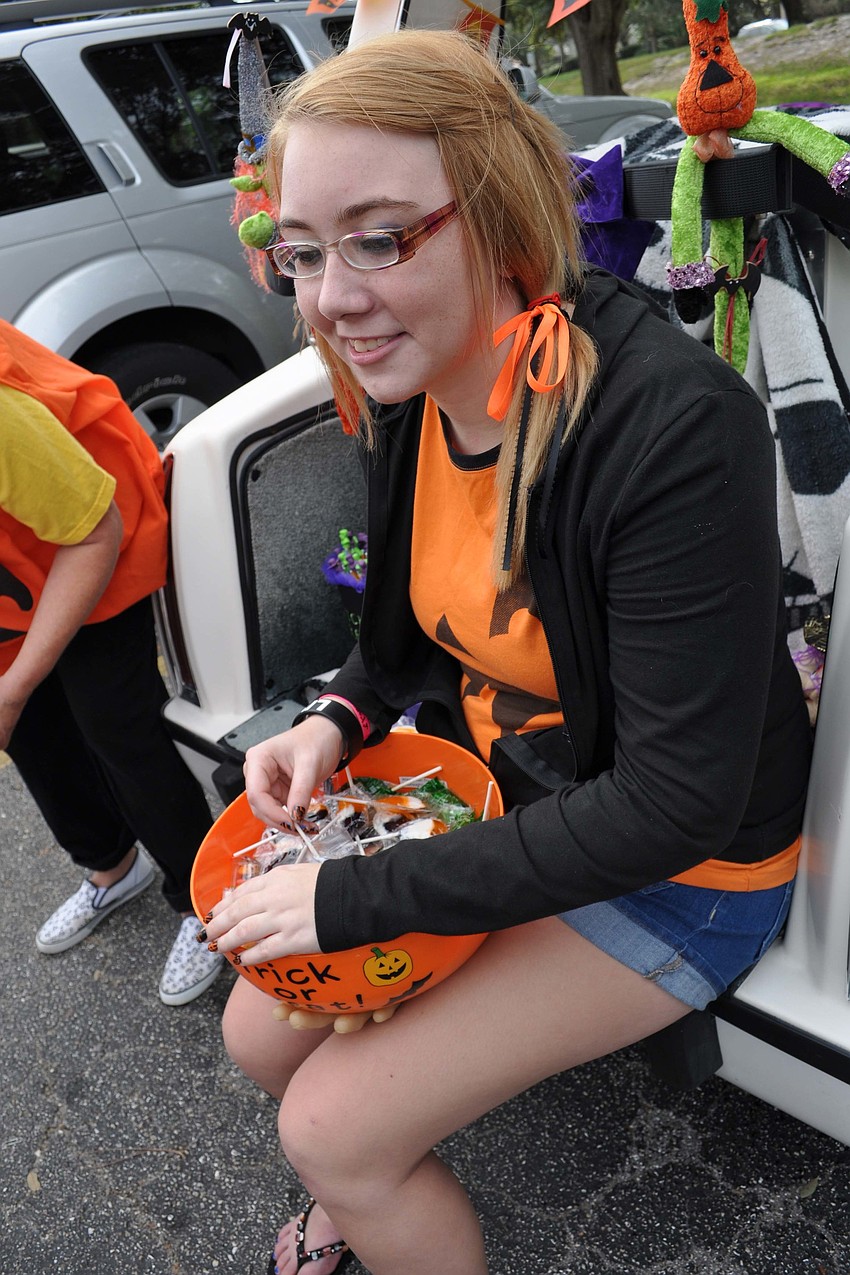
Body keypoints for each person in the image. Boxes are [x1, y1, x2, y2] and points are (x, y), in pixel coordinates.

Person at [203, 29, 813, 1275]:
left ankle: (356, 1176)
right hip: (519, 802)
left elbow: (672, 803)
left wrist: (353, 892)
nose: (333, 299)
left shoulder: (667, 426)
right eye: (306, 252)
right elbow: (398, 646)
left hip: (684, 869)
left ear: (496, 207)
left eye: (379, 238)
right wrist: (335, 722)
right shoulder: (406, 383)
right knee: (259, 1040)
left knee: (327, 1121)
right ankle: (366, 1180)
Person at [0, 319, 223, 1006]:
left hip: (93, 523)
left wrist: (12, 688)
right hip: (18, 548)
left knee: (113, 719)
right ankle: (109, 865)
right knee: (35, 732)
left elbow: (93, 530)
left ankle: (203, 901)